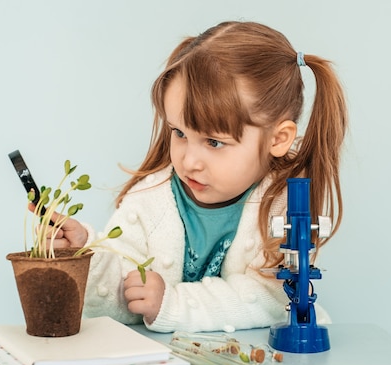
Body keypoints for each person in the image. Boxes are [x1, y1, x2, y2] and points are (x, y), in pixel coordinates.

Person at [48, 21, 347, 333]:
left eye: (214, 142)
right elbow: (123, 296)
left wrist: (171, 304)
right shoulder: (149, 200)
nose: (188, 161)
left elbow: (271, 299)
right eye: (179, 133)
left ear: (277, 138)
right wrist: (87, 258)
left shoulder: (282, 209)